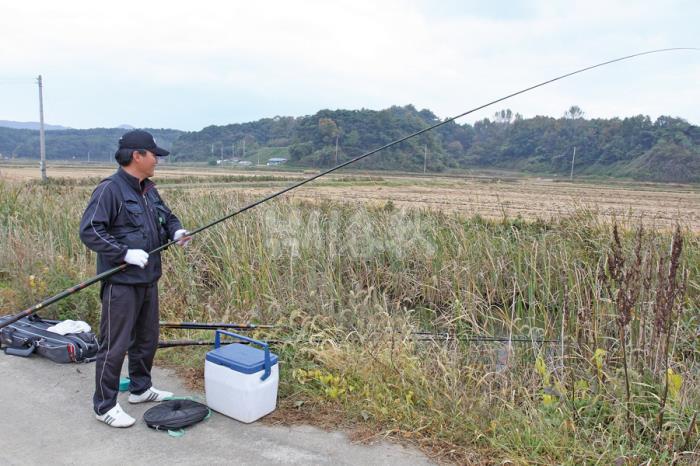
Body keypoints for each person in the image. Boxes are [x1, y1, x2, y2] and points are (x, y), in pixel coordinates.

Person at [79, 130, 191, 428]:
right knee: (114, 345)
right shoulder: (110, 190)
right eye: (155, 154)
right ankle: (104, 405)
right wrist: (123, 253)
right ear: (137, 155)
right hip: (121, 283)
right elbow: (90, 230)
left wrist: (176, 232)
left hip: (149, 278)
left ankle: (141, 389)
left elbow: (168, 217)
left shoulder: (148, 189)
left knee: (147, 339)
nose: (158, 160)